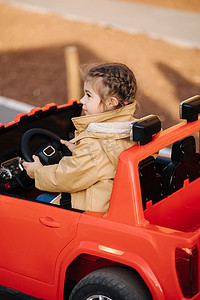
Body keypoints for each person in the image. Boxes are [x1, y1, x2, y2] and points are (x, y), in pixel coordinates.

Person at [23, 62, 138, 212]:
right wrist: (79, 149)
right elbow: (101, 161)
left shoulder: (95, 145)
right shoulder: (127, 128)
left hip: (86, 213)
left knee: (36, 201)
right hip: (110, 205)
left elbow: (68, 177)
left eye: (88, 95)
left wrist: (36, 172)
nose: (82, 100)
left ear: (111, 102)